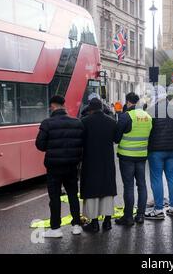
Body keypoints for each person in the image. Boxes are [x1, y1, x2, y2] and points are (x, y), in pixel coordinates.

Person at [35, 95, 84, 238]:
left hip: (54, 167)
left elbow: (40, 145)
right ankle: (76, 226)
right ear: (64, 105)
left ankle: (55, 228)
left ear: (52, 106)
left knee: (55, 197)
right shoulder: (77, 122)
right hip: (72, 166)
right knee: (73, 196)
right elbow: (82, 143)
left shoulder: (47, 123)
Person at [80, 98, 118, 232]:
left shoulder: (84, 122)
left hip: (90, 161)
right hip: (107, 161)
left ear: (90, 109)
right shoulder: (112, 122)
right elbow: (117, 139)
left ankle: (94, 223)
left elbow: (80, 141)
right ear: (102, 108)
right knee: (107, 190)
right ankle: (107, 222)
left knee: (92, 192)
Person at [114, 92, 152, 226]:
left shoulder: (126, 116)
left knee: (129, 186)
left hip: (126, 157)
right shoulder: (148, 117)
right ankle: (141, 215)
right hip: (141, 156)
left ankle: (128, 217)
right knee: (142, 185)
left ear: (128, 102)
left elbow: (116, 138)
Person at [145, 92, 173, 220]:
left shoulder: (151, 110)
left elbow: (147, 130)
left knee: (157, 178)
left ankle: (158, 209)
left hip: (156, 150)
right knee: (172, 177)